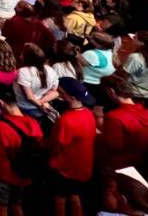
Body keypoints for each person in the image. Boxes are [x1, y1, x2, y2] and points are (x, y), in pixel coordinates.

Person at [0, 83, 44, 216]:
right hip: (25, 175)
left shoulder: (0, 127)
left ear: (1, 103)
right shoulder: (32, 122)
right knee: (17, 204)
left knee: (2, 207)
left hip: (4, 176)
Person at [48, 78, 97, 216]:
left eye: (61, 92)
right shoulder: (88, 113)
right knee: (75, 196)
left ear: (71, 97)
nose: (58, 92)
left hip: (65, 169)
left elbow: (57, 146)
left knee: (60, 200)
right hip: (83, 167)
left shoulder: (66, 120)